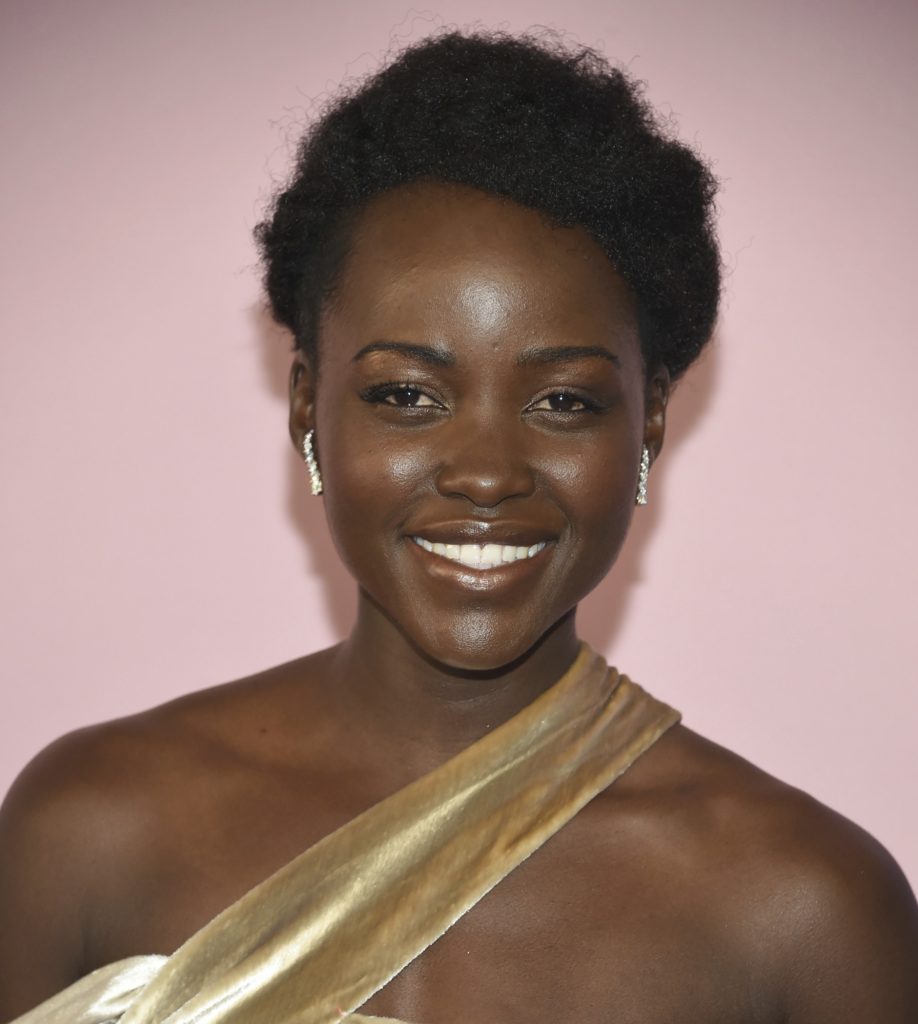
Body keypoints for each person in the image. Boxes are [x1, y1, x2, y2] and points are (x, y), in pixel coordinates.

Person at [1, 29, 916, 1024]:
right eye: (406, 393)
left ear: (648, 421)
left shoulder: (805, 911)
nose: (485, 473)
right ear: (308, 408)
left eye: (563, 401)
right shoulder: (87, 830)